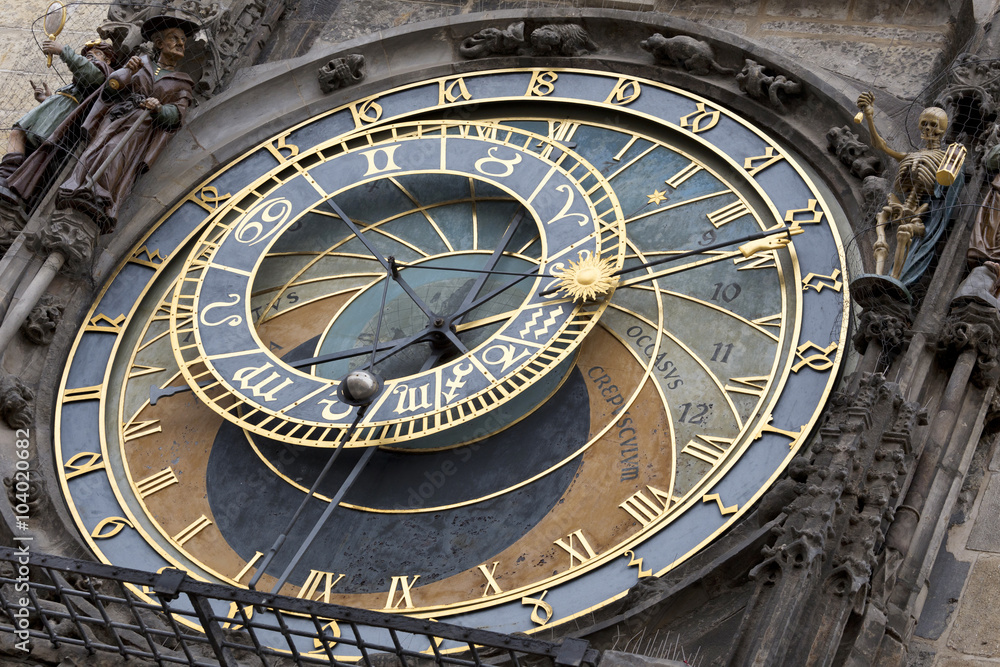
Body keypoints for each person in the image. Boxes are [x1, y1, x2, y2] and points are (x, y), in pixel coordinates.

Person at [56, 14, 197, 231]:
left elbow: (177, 115)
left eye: (183, 41)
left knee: (116, 152)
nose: (180, 43)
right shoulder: (141, 63)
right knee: (97, 148)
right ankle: (80, 185)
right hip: (117, 117)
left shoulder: (183, 83)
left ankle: (100, 194)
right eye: (174, 38)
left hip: (141, 127)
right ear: (159, 44)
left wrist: (159, 108)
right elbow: (112, 87)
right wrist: (129, 69)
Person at [0, 39, 115, 202]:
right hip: (55, 111)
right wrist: (47, 100)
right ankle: (7, 178)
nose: (91, 56)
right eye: (89, 54)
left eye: (98, 53)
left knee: (25, 139)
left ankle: (8, 180)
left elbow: (88, 75)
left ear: (108, 60)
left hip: (64, 120)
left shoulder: (103, 72)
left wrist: (62, 50)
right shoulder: (81, 78)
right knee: (18, 135)